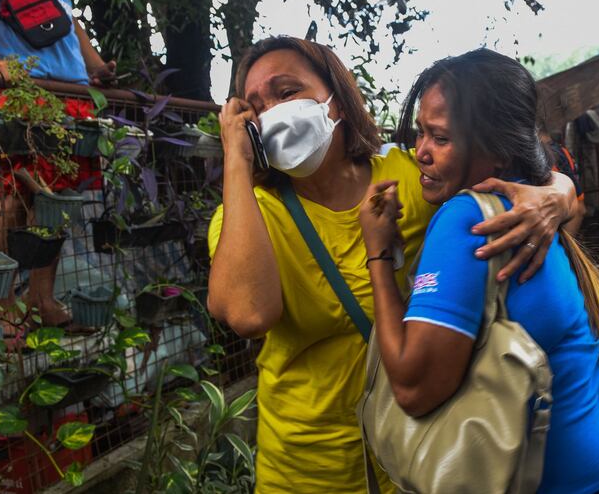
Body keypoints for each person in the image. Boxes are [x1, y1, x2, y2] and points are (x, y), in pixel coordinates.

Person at [207, 36, 579, 492]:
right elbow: (248, 314)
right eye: (256, 108)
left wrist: (555, 194)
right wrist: (237, 162)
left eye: (287, 93)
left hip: (417, 459)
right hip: (304, 470)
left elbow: (515, 169)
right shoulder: (246, 213)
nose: (274, 114)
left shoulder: (407, 176)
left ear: (336, 98)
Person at [358, 49, 599, 493]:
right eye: (420, 133)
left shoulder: (467, 218)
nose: (421, 153)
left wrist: (379, 257)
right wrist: (562, 189)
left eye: (439, 138)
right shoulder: (533, 202)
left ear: (498, 153)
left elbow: (413, 388)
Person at [0, 0, 113, 330]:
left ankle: (41, 299)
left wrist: (94, 65)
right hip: (19, 81)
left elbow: (62, 12)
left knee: (58, 200)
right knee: (13, 193)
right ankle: (3, 304)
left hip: (68, 86)